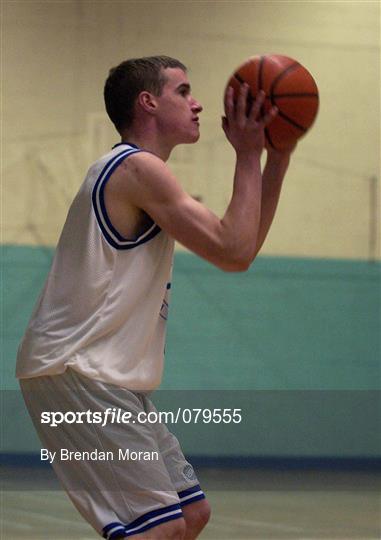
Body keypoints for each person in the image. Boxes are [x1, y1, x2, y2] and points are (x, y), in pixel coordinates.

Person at [16, 55, 293, 539]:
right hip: (78, 370)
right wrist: (249, 155)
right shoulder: (137, 168)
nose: (198, 103)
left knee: (191, 517)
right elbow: (231, 250)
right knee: (159, 530)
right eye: (183, 91)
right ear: (148, 102)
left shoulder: (141, 172)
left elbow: (241, 250)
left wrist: (278, 155)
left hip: (104, 378)